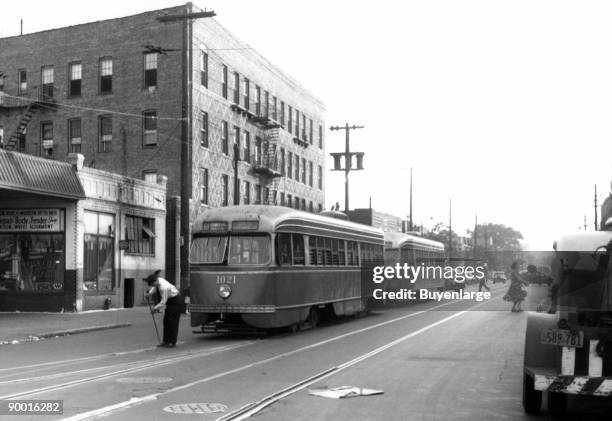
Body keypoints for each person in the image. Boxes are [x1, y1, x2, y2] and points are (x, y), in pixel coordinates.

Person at [144, 270, 182, 348]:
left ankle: (172, 342)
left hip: (175, 301)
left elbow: (163, 302)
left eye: (152, 284)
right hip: (170, 302)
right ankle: (165, 341)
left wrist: (155, 308)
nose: (153, 286)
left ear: (155, 281)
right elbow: (155, 287)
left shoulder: (164, 287)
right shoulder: (158, 281)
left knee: (172, 322)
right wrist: (150, 293)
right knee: (166, 321)